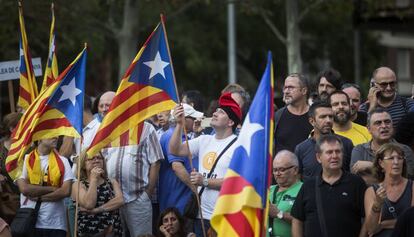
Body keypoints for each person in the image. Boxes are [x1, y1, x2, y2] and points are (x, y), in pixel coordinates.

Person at [169, 92, 241, 236]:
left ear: (230, 122)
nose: (215, 113)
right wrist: (179, 124)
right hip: (200, 216)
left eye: (221, 112)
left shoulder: (239, 146)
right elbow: (175, 149)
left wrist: (205, 181)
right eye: (216, 110)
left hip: (225, 216)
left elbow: (237, 181)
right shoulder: (204, 140)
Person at [291, 135, 366, 237]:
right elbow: (297, 220)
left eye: (338, 151)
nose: (335, 156)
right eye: (329, 152)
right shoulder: (308, 185)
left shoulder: (356, 183)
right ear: (318, 157)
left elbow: (368, 218)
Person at [16, 137, 74, 237]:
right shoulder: (25, 160)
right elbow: (24, 189)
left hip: (56, 224)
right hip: (29, 221)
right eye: (50, 134)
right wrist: (53, 189)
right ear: (39, 138)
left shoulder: (63, 161)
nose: (56, 137)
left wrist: (38, 197)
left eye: (56, 134)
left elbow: (65, 191)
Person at [158, 104, 203, 214]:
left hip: (181, 197)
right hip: (177, 200)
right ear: (184, 119)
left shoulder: (181, 135)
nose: (196, 120)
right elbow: (177, 167)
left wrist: (197, 133)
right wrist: (196, 189)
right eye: (193, 118)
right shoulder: (172, 136)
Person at [363, 143, 414, 237]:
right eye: (391, 158)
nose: (396, 162)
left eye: (399, 158)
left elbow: (412, 221)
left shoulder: (412, 186)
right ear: (381, 163)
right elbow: (371, 229)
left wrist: (383, 224)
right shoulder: (371, 191)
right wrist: (377, 204)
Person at [351, 109, 414, 183]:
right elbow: (356, 181)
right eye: (378, 123)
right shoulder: (359, 150)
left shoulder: (404, 150)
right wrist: (392, 172)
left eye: (387, 122)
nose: (384, 126)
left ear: (392, 126)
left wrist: (371, 166)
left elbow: (406, 180)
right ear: (369, 129)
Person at [294, 101, 353, 179]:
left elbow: (352, 175)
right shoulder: (301, 149)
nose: (328, 120)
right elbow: (297, 180)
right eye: (323, 117)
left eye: (331, 116)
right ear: (312, 121)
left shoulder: (346, 143)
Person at [72, 151, 123, 237]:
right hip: (89, 232)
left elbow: (120, 201)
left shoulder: (111, 181)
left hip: (111, 231)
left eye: (99, 158)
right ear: (83, 165)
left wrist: (97, 210)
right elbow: (89, 204)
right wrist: (94, 179)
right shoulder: (78, 185)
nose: (96, 160)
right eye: (91, 158)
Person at [274, 73, 312, 153]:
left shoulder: (316, 115)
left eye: (291, 88)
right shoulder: (277, 116)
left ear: (304, 91)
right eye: (285, 88)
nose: (286, 91)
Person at [268, 150, 302, 237]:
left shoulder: (305, 190)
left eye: (282, 169)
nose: (277, 174)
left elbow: (310, 221)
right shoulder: (268, 190)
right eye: (275, 170)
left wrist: (279, 214)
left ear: (295, 170)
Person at [0, 112, 21, 224]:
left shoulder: (27, 147)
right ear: (12, 128)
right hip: (6, 199)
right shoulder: (0, 147)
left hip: (26, 197)